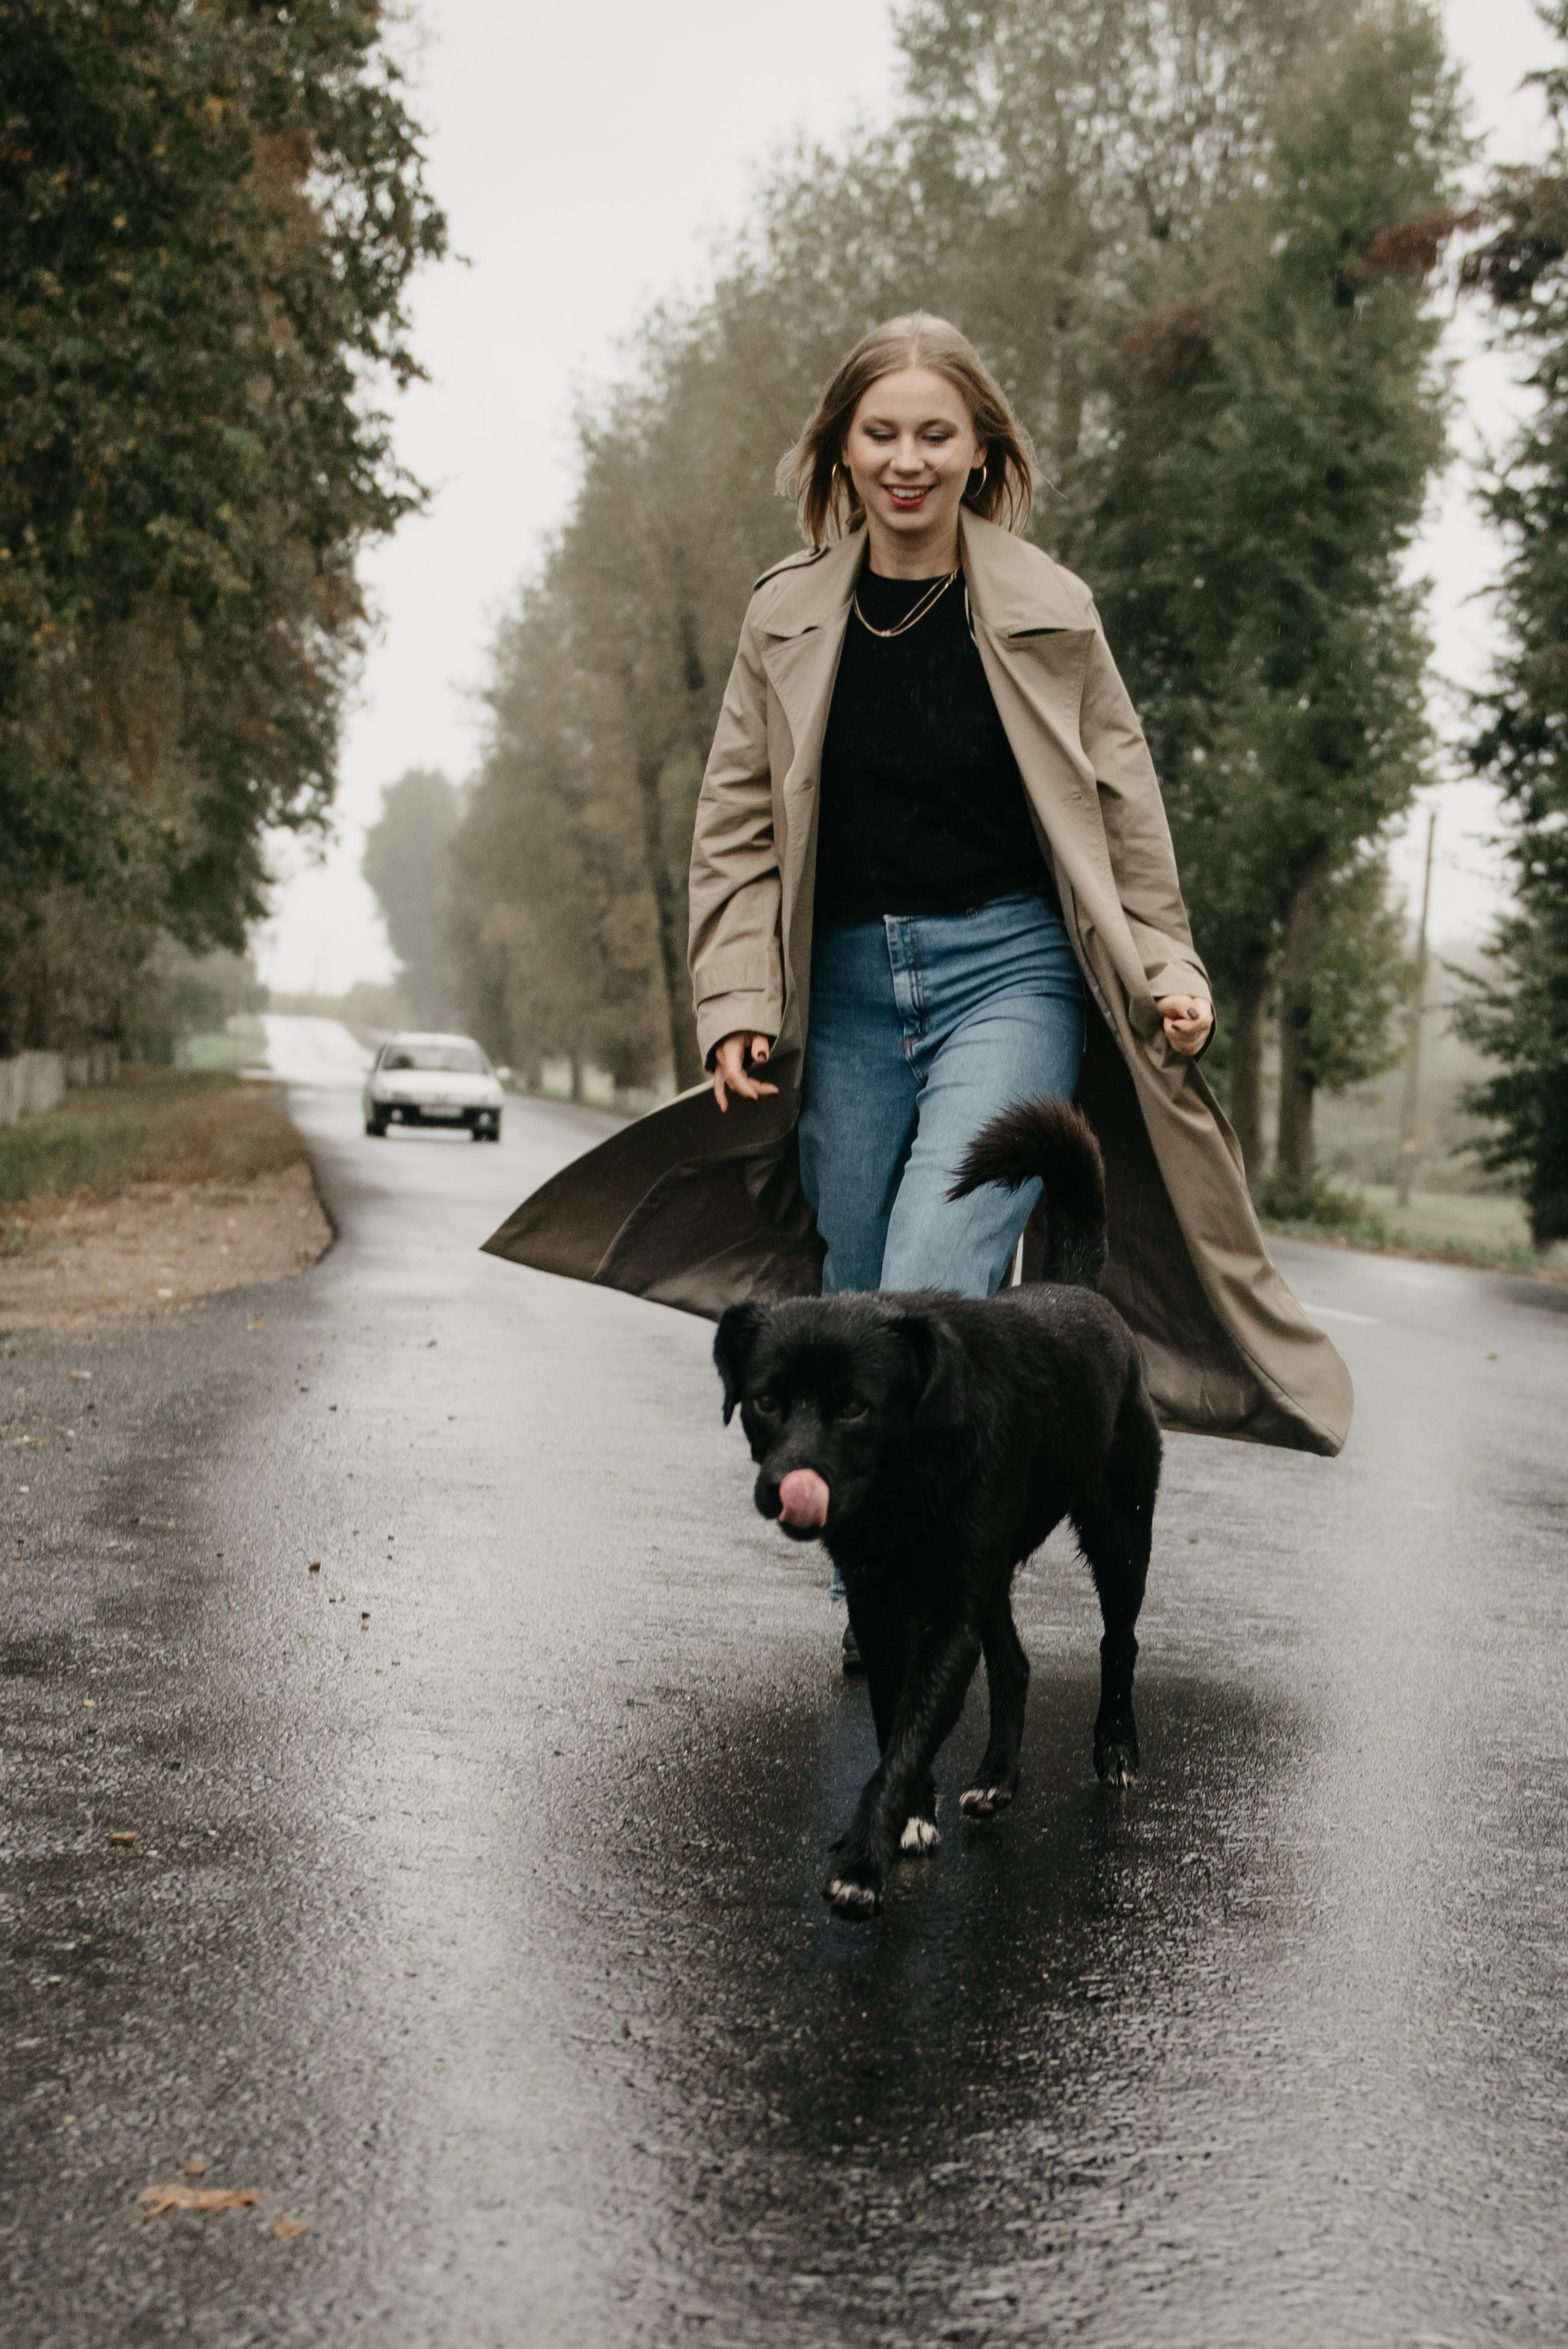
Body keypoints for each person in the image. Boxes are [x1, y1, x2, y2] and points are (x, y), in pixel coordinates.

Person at [482, 315, 1352, 1590]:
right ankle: (875, 1585)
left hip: (1010, 969)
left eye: (934, 434)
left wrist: (1168, 964)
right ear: (839, 447)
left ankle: (920, 1586)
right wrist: (736, 1000)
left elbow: (1122, 803)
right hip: (835, 982)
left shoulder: (1050, 611)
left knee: (934, 1275)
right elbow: (732, 826)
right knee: (847, 1282)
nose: (906, 459)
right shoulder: (783, 617)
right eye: (879, 432)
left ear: (977, 447)